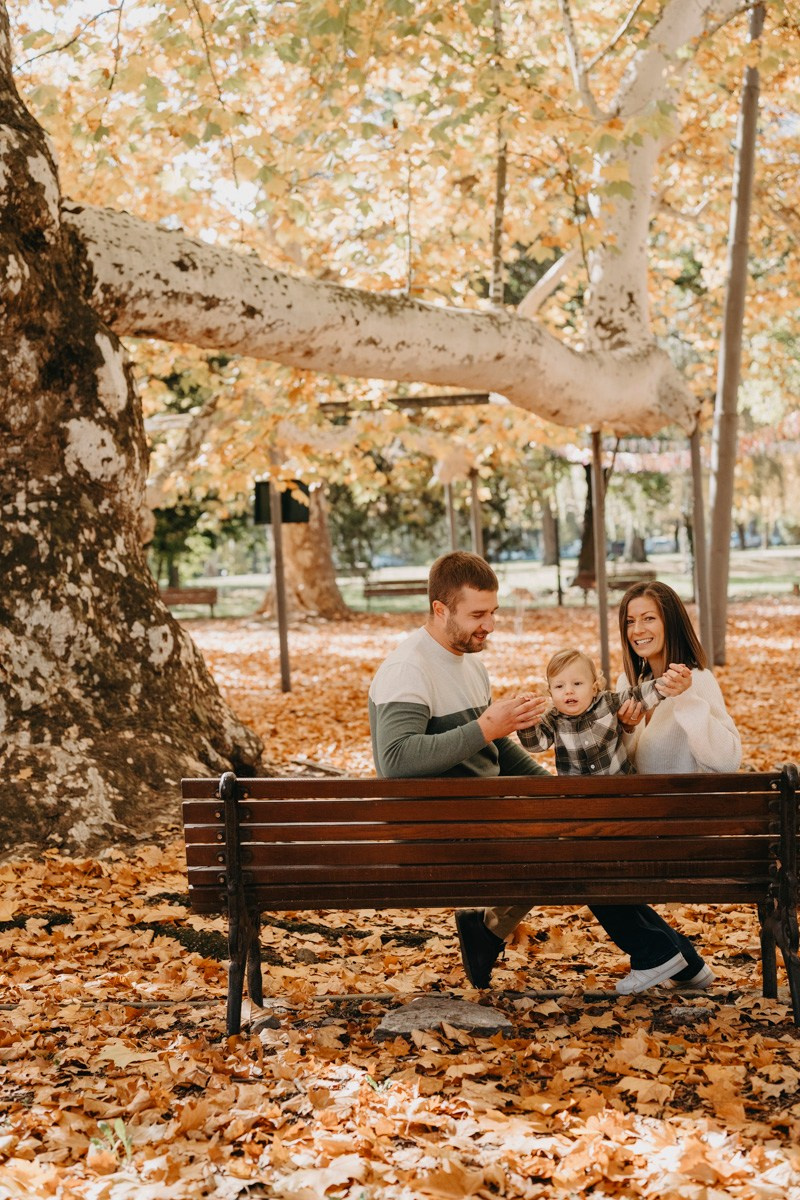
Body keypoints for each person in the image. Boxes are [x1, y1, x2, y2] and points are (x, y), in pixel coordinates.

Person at [368, 551, 711, 996]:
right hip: (435, 826)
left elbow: (494, 747)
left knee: (580, 832)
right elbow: (395, 759)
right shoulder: (407, 669)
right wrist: (485, 727)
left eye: (493, 611)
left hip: (477, 811)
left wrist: (555, 793)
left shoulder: (470, 662)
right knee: (576, 845)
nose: (489, 624)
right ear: (440, 609)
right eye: (477, 614)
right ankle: (667, 955)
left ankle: (668, 956)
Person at [517, 647, 692, 776]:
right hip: (577, 798)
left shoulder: (607, 703)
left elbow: (638, 695)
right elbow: (535, 745)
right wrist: (526, 720)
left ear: (594, 688)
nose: (568, 691)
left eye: (577, 684)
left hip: (620, 789)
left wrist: (667, 683)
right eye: (559, 686)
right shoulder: (553, 719)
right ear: (551, 693)